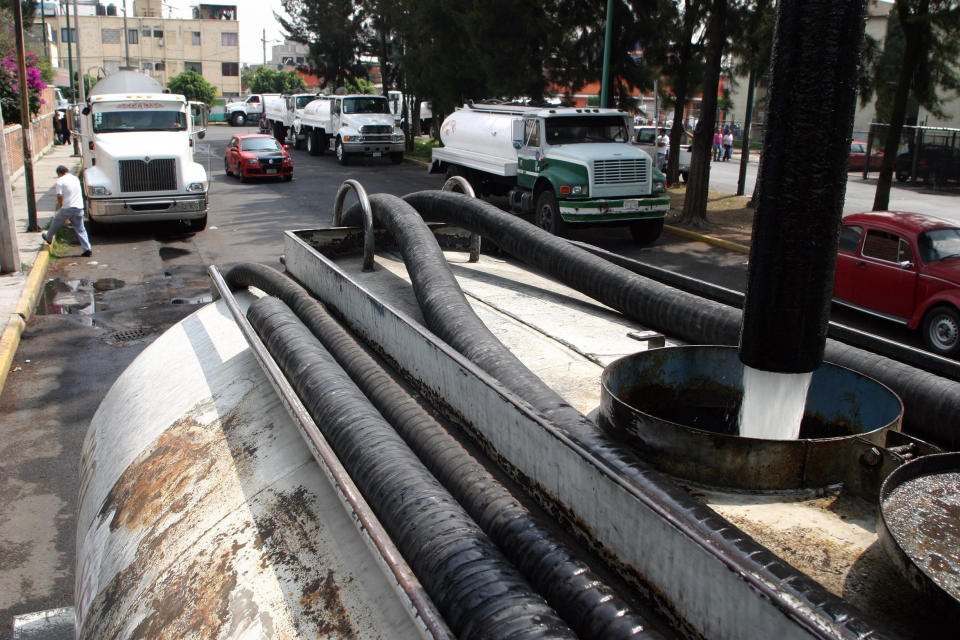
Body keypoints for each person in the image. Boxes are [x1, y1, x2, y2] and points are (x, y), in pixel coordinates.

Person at [42, 166, 92, 258]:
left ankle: (48, 238)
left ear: (59, 173)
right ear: (67, 171)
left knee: (56, 221)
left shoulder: (60, 181)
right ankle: (87, 248)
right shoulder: (75, 178)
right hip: (79, 208)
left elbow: (59, 196)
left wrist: (61, 207)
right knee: (80, 228)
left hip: (67, 208)